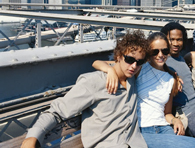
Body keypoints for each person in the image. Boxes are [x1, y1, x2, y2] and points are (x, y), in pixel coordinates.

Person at [21, 30, 149, 148]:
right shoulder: (94, 82)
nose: (134, 66)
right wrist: (33, 136)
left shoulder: (132, 78)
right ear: (119, 56)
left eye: (139, 62)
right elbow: (56, 112)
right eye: (130, 59)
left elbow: (101, 62)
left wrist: (108, 67)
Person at [93, 32, 195, 148]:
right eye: (155, 51)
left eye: (165, 51)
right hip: (141, 130)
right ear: (148, 53)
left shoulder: (171, 80)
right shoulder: (139, 68)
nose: (160, 55)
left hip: (164, 127)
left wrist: (175, 120)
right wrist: (110, 71)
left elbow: (167, 113)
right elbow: (97, 63)